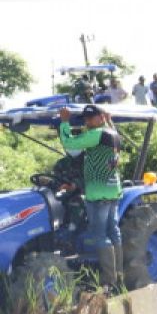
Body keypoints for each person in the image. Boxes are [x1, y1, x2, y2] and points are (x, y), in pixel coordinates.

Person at [57, 105, 123, 289]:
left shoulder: (97, 135)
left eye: (91, 118)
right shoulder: (113, 133)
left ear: (100, 117)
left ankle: (109, 280)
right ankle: (119, 275)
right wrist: (110, 121)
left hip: (98, 193)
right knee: (114, 231)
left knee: (100, 235)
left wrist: (64, 122)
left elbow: (69, 144)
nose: (87, 121)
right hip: (113, 190)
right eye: (85, 118)